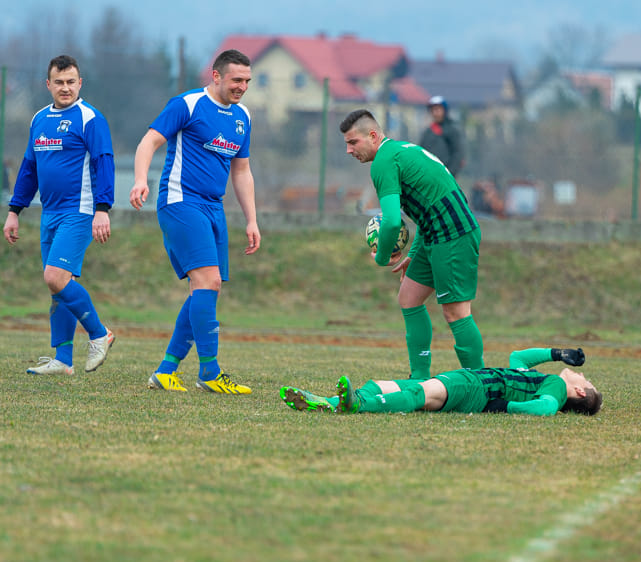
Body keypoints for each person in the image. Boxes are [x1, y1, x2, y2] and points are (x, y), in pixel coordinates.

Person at [129, 49, 261, 394]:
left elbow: (242, 170)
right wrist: (141, 179)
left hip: (213, 208)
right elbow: (149, 141)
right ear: (216, 76)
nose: (242, 87)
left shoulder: (242, 116)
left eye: (247, 81)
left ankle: (166, 371)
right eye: (236, 80)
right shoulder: (186, 105)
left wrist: (252, 219)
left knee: (204, 288)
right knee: (209, 282)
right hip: (180, 201)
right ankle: (210, 373)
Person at [340, 109, 483, 379]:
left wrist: (382, 257)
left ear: (372, 136)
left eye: (353, 142)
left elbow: (393, 221)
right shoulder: (399, 150)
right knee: (409, 298)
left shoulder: (383, 161)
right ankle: (419, 378)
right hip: (434, 234)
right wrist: (413, 254)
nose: (348, 150)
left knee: (456, 311)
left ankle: (481, 383)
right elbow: (426, 211)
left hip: (453, 234)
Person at [3, 55, 115, 376]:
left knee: (54, 277)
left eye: (71, 82)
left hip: (79, 211)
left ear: (80, 83)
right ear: (48, 84)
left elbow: (103, 163)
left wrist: (102, 209)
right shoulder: (39, 119)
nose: (65, 88)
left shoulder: (90, 118)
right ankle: (63, 360)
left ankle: (99, 333)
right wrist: (15, 211)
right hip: (48, 213)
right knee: (59, 285)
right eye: (59, 82)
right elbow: (29, 168)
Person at [280, 347, 601, 417]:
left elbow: (544, 409)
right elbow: (518, 358)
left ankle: (355, 405)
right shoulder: (541, 379)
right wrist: (557, 353)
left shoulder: (556, 390)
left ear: (580, 391)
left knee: (421, 393)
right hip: (470, 381)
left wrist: (507, 406)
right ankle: (327, 402)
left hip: (476, 389)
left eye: (584, 378)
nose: (581, 373)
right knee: (385, 385)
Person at [419, 95, 465, 178]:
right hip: (429, 175)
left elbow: (457, 154)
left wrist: (449, 173)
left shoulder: (451, 130)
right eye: (433, 110)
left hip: (445, 176)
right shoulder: (428, 132)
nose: (435, 113)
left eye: (438, 109)